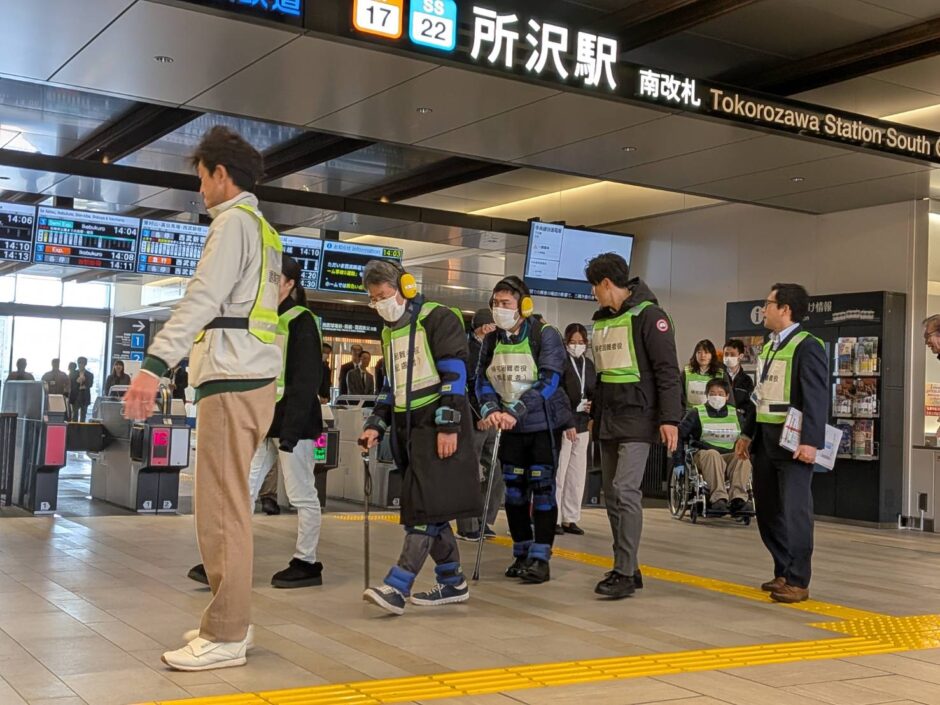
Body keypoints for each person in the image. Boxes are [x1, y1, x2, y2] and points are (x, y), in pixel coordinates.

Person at [123, 125, 282, 670]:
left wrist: (152, 366)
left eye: (201, 178)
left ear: (220, 173)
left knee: (220, 509)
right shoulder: (263, 229)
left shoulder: (233, 223)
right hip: (251, 379)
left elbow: (203, 298)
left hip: (232, 380)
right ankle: (232, 618)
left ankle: (226, 634)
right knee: (229, 505)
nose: (200, 189)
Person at [189, 255, 324, 590]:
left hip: (294, 426)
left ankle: (306, 562)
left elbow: (306, 380)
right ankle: (226, 558)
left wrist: (291, 432)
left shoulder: (301, 320)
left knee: (301, 494)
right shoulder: (261, 319)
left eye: (276, 279)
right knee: (242, 490)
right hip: (263, 423)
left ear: (290, 284)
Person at [359, 260, 481, 615]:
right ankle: (452, 580)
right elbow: (391, 386)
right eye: (373, 299)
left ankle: (398, 586)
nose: (379, 304)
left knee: (424, 510)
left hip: (435, 423)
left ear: (405, 287)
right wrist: (375, 424)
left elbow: (455, 375)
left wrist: (449, 425)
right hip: (406, 428)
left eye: (383, 295)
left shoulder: (438, 318)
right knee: (429, 507)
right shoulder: (389, 331)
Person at [586, 253, 681, 599]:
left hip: (640, 417)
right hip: (610, 418)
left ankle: (623, 573)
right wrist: (595, 415)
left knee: (625, 490)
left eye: (594, 287)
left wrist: (670, 419)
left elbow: (668, 371)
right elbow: (602, 375)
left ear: (606, 283)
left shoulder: (650, 316)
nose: (593, 294)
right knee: (612, 495)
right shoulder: (602, 321)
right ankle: (629, 565)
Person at [477, 276, 573, 584]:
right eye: (495, 303)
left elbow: (550, 380)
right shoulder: (492, 340)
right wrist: (490, 408)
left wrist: (515, 411)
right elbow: (482, 380)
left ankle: (541, 558)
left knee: (542, 489)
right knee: (514, 491)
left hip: (541, 425)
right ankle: (521, 552)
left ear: (524, 305)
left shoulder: (545, 335)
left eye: (505, 303)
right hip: (509, 429)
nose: (499, 309)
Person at [736, 283, 827, 605]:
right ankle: (783, 570)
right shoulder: (769, 346)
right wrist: (747, 433)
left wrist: (811, 442)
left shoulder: (808, 346)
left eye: (769, 303)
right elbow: (759, 394)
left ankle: (799, 580)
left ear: (785, 309)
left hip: (793, 445)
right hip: (765, 440)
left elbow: (816, 396)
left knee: (795, 512)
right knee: (768, 511)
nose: (764, 309)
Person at [455, 308, 502, 542]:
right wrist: (478, 414)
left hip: (492, 416)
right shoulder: (469, 350)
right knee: (470, 471)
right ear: (485, 327)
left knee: (495, 470)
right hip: (476, 418)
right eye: (494, 324)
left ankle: (484, 519)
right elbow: (468, 385)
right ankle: (467, 525)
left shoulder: (493, 348)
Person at [675, 378, 753, 515]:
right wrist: (678, 461)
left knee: (743, 457)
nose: (716, 397)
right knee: (713, 454)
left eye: (720, 394)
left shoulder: (736, 414)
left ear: (727, 396)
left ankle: (738, 499)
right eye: (712, 393)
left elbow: (746, 435)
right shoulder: (696, 413)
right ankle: (718, 498)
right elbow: (680, 436)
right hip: (704, 455)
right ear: (707, 395)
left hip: (728, 455)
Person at [555, 322, 596, 536]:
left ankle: (570, 518)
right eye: (573, 341)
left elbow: (594, 390)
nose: (577, 345)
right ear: (566, 342)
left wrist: (593, 406)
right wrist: (567, 421)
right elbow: (558, 393)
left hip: (582, 423)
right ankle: (554, 517)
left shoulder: (588, 365)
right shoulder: (561, 362)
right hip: (564, 424)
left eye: (581, 342)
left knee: (577, 474)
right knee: (559, 473)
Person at [681, 339, 724, 409]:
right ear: (695, 354)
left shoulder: (720, 374)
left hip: (712, 413)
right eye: (699, 352)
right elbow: (679, 395)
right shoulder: (686, 372)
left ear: (712, 355)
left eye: (706, 352)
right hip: (690, 413)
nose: (702, 355)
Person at [723, 339, 755, 410]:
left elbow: (749, 404)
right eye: (726, 354)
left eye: (732, 354)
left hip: (740, 415)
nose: (728, 357)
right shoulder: (718, 376)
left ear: (741, 356)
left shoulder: (747, 380)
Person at [72, 357, 94, 422]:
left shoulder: (90, 374)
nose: (80, 364)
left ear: (85, 364)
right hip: (75, 397)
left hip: (85, 397)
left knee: (83, 416)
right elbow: (71, 384)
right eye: (79, 363)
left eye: (82, 363)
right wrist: (77, 382)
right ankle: (74, 428)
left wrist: (84, 380)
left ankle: (81, 428)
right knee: (74, 416)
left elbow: (90, 384)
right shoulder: (73, 373)